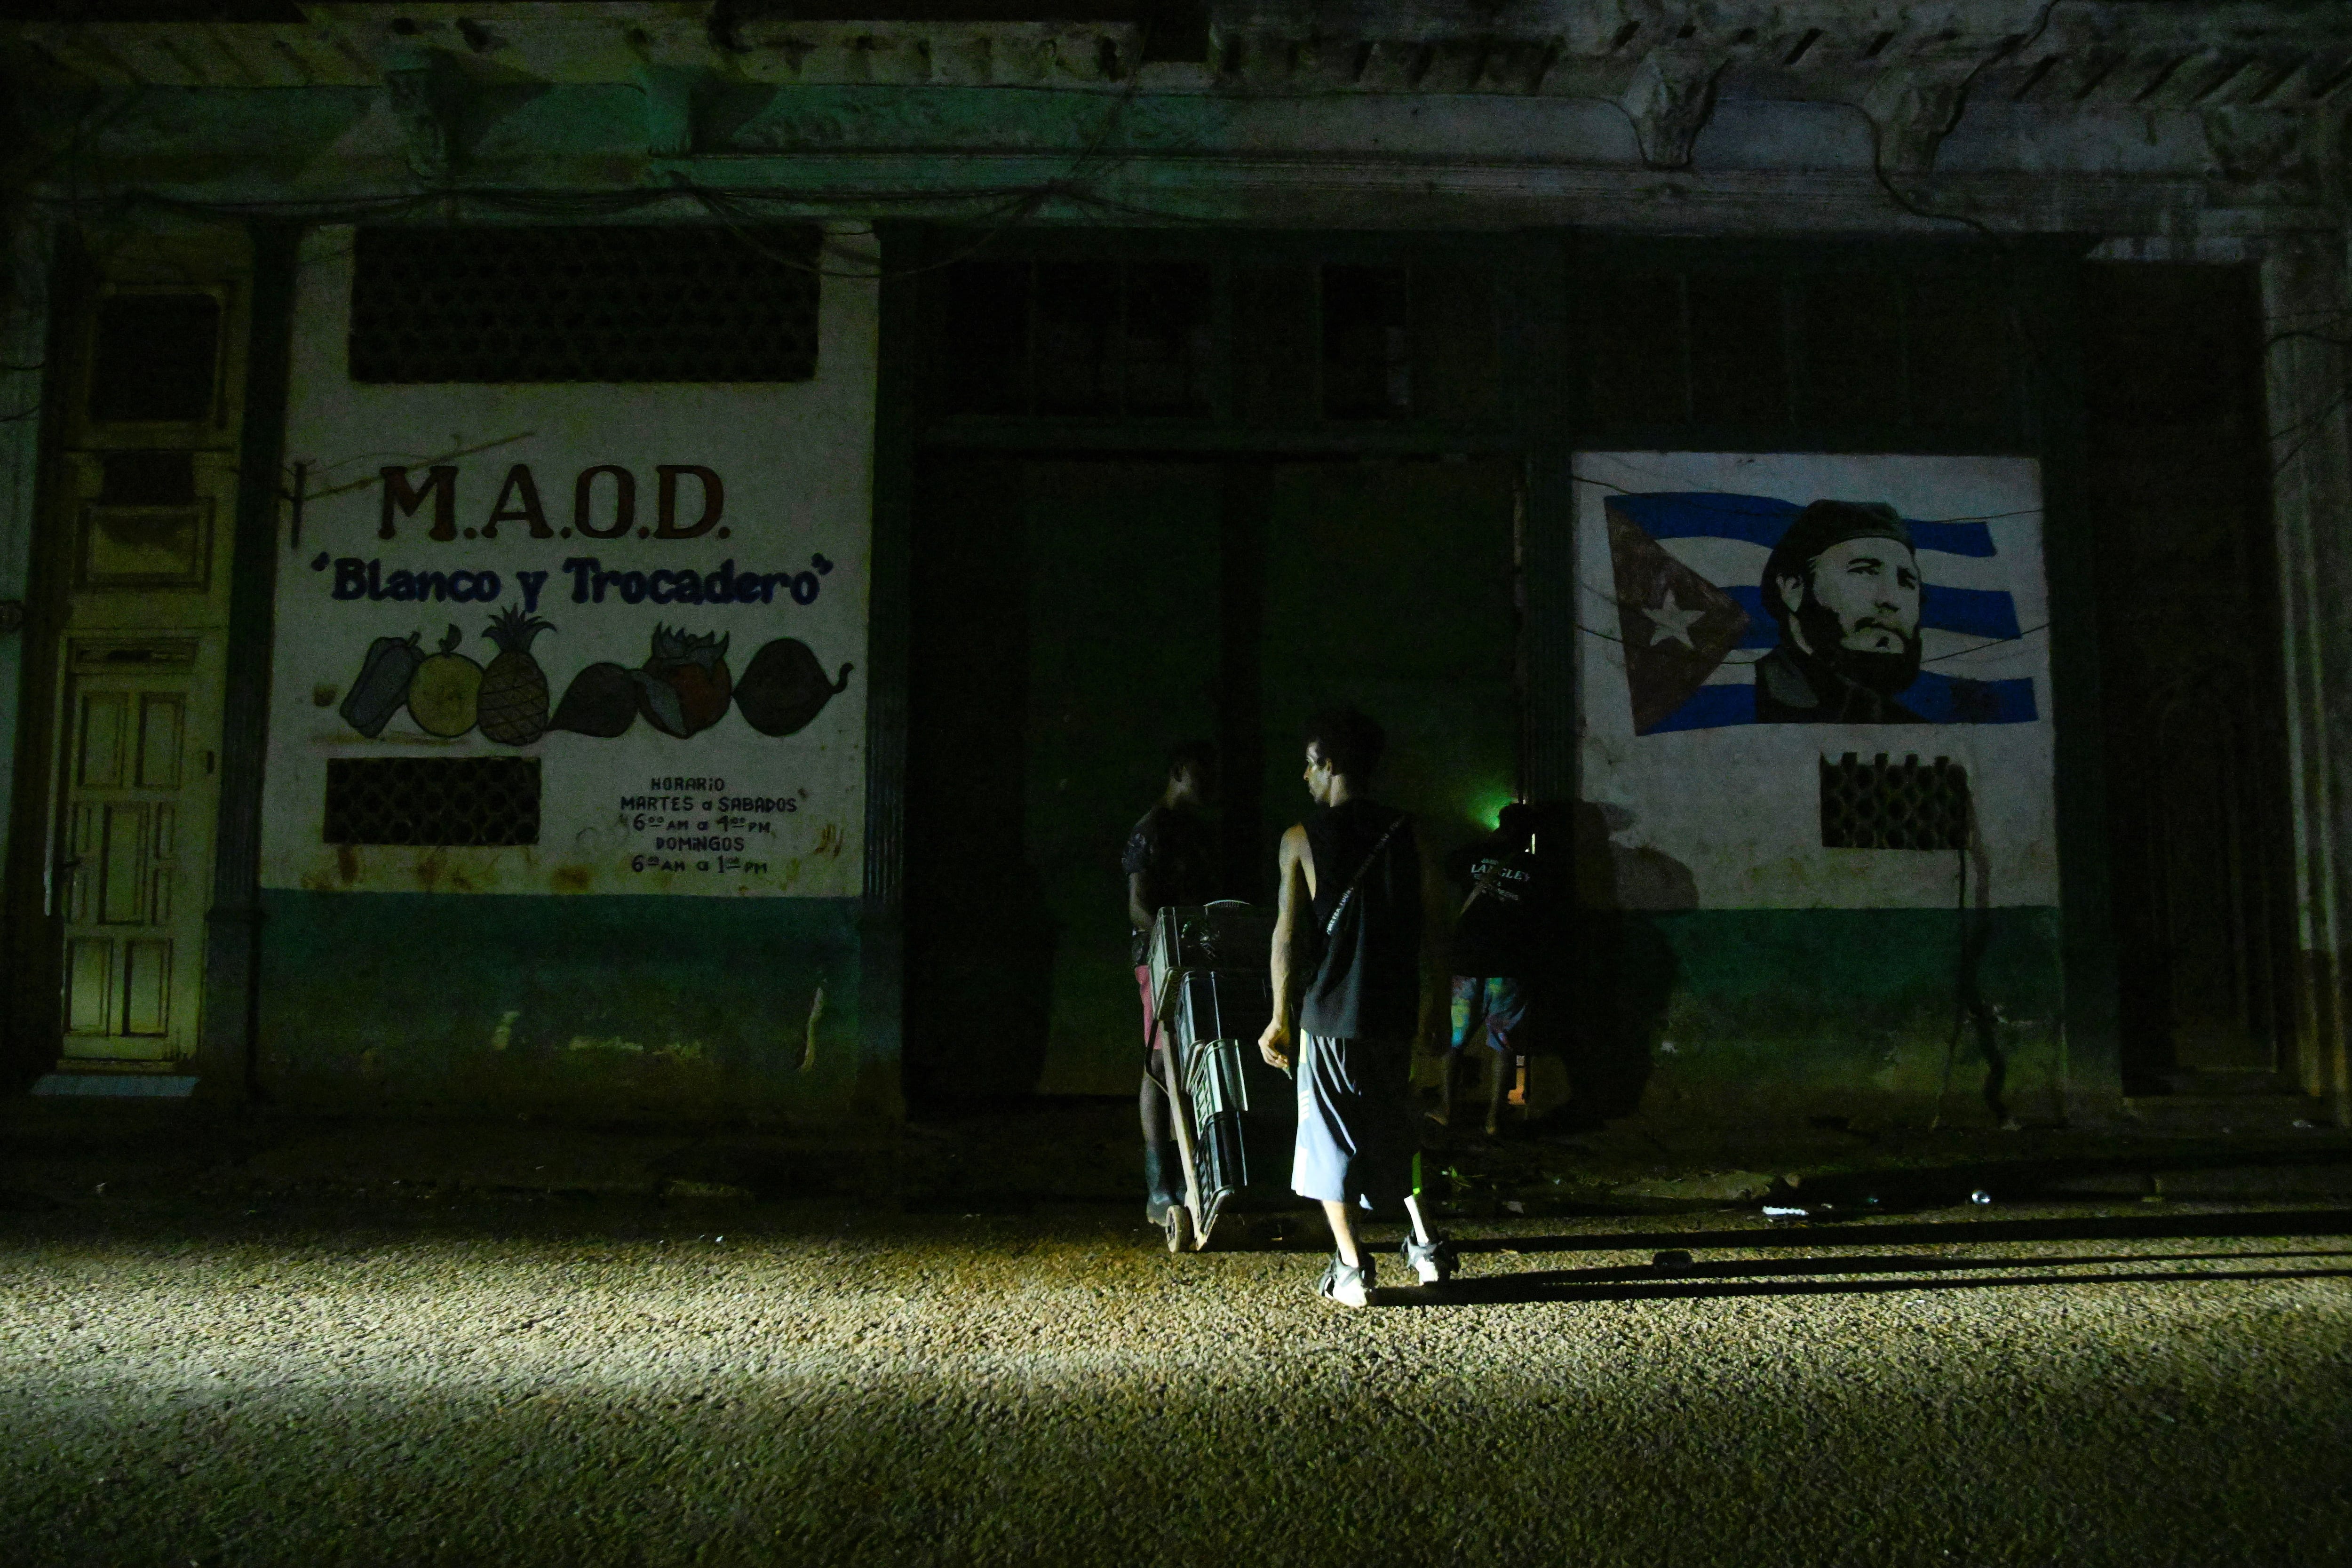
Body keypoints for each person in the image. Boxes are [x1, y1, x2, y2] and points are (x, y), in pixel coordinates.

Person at [1256, 707, 1446, 1306]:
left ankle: (1351, 1268)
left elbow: (1287, 938)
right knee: (1396, 1127)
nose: (1305, 779)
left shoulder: (1299, 839)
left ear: (1331, 766)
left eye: (1309, 767)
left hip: (1329, 1017)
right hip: (1392, 1015)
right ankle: (1427, 1249)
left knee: (1328, 1142)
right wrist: (1435, 1009)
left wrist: (1280, 1020)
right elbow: (1437, 930)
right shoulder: (1411, 833)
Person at [1123, 740, 1220, 1225]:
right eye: (1202, 774)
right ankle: (1159, 1187)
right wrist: (1169, 940)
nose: (1209, 786)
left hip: (1190, 959)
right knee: (1159, 1065)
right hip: (1160, 960)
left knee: (1187, 1061)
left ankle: (1186, 1176)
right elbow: (1137, 906)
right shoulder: (1151, 830)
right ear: (1180, 770)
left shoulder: (1192, 831)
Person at [1754, 500, 1926, 723]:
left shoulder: (1911, 727)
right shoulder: (1747, 700)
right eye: (1864, 571)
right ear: (1793, 589)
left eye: (1906, 582)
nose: (1891, 599)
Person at [1438, 802, 1542, 1139]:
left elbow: (1447, 865)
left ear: (1500, 826)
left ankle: (1446, 1110)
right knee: (1504, 1045)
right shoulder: (1535, 867)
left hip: (1467, 965)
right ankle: (1495, 1118)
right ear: (1528, 836)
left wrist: (1490, 843)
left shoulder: (1473, 856)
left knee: (1454, 1042)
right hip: (1510, 968)